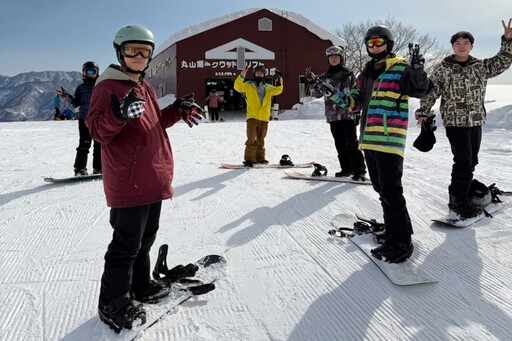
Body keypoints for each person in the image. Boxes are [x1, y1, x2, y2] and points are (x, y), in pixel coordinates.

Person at [85, 24, 203, 333]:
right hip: (128, 180)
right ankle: (112, 302)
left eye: (145, 52)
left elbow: (155, 123)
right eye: (132, 50)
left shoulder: (143, 87)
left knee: (145, 239)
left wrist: (177, 110)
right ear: (120, 52)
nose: (139, 56)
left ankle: (140, 286)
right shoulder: (108, 87)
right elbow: (97, 131)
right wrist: (118, 115)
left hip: (151, 177)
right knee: (126, 244)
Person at [317, 25, 433, 263]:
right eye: (370, 44)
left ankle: (401, 243)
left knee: (392, 190)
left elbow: (421, 90)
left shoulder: (401, 68)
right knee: (382, 189)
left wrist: (418, 70)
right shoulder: (366, 73)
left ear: (388, 44)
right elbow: (354, 104)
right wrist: (331, 93)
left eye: (378, 42)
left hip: (390, 138)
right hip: (368, 138)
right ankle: (395, 232)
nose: (374, 47)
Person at [415, 19, 512, 219]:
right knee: (463, 161)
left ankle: (461, 193)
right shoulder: (444, 68)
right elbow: (432, 91)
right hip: (455, 122)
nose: (461, 46)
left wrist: (507, 40)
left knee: (471, 160)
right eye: (458, 43)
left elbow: (503, 60)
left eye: (465, 43)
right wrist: (423, 111)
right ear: (452, 46)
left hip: (475, 120)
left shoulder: (481, 67)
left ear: (471, 46)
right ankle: (457, 201)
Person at [306, 45, 366, 180]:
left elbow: (357, 93)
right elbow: (316, 94)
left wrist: (357, 112)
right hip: (333, 115)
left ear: (341, 58)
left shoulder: (349, 75)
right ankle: (346, 169)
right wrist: (312, 82)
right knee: (339, 143)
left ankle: (360, 170)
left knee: (351, 143)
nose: (333, 59)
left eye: (336, 57)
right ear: (328, 60)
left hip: (347, 114)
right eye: (331, 57)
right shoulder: (324, 77)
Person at [234, 65, 283, 167]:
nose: (259, 74)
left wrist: (279, 79)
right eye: (257, 73)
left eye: (261, 73)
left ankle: (260, 158)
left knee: (261, 138)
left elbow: (279, 90)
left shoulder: (268, 87)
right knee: (251, 138)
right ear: (254, 74)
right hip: (252, 116)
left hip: (264, 116)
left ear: (264, 75)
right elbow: (237, 87)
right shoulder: (248, 85)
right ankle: (249, 159)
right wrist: (242, 76)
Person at [59, 61, 102, 176]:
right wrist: (68, 97)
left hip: (99, 120)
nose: (90, 74)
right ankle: (80, 169)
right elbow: (75, 103)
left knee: (99, 145)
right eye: (88, 71)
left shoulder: (101, 85)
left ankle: (99, 168)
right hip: (85, 119)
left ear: (97, 72)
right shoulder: (81, 88)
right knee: (84, 144)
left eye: (93, 71)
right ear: (84, 73)